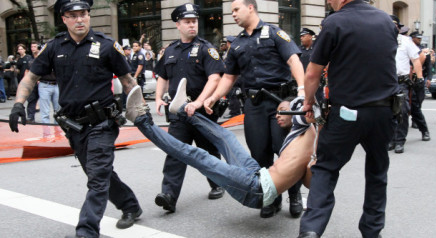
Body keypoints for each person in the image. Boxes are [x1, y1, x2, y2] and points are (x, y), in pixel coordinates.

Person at [8, 1, 143, 236]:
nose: (79, 19)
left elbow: (128, 81)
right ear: (64, 19)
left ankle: (87, 231)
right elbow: (30, 78)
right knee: (97, 173)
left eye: (83, 14)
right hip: (74, 125)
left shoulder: (107, 45)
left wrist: (141, 112)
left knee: (98, 177)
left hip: (103, 122)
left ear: (89, 16)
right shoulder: (54, 47)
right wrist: (18, 105)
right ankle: (130, 205)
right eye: (73, 15)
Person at [124, 80, 317, 212]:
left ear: (299, 112)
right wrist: (312, 163)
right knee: (226, 137)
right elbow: (309, 182)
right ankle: (183, 110)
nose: (276, 115)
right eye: (277, 111)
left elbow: (304, 104)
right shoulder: (302, 135)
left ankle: (140, 118)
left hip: (256, 189)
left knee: (196, 155)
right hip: (257, 174)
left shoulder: (305, 125)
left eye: (282, 111)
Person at [298, 0, 399, 236]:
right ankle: (372, 231)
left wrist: (308, 102)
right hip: (383, 111)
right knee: (377, 170)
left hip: (347, 112)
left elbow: (313, 72)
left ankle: (311, 230)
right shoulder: (386, 20)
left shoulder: (334, 23)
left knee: (325, 169)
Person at [203, 0, 305, 218]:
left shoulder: (275, 33)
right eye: (231, 11)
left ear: (251, 7)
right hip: (254, 105)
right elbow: (229, 77)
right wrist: (213, 97)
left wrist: (303, 90)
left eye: (236, 10)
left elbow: (294, 61)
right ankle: (272, 198)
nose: (233, 15)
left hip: (280, 101)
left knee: (285, 151)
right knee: (260, 154)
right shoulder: (237, 44)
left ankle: (294, 195)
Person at [152, 3, 226, 213]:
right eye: (187, 22)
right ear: (178, 24)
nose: (192, 25)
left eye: (194, 21)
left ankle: (217, 183)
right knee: (175, 151)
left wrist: (199, 102)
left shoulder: (206, 48)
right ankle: (169, 195)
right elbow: (162, 77)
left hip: (202, 111)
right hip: (179, 112)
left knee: (208, 152)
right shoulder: (170, 50)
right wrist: (158, 97)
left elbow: (214, 79)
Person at [389, 16, 426, 154]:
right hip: (385, 82)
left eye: (395, 26)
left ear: (398, 28)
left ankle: (399, 141)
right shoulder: (379, 40)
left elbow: (416, 60)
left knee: (402, 110)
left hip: (401, 82)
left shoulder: (406, 41)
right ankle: (391, 139)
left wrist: (420, 76)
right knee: (386, 112)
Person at [409, 31, 431, 142]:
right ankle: (396, 138)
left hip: (407, 80)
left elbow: (422, 57)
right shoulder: (390, 43)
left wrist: (415, 73)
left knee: (415, 107)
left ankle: (424, 130)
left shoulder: (406, 43)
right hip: (393, 80)